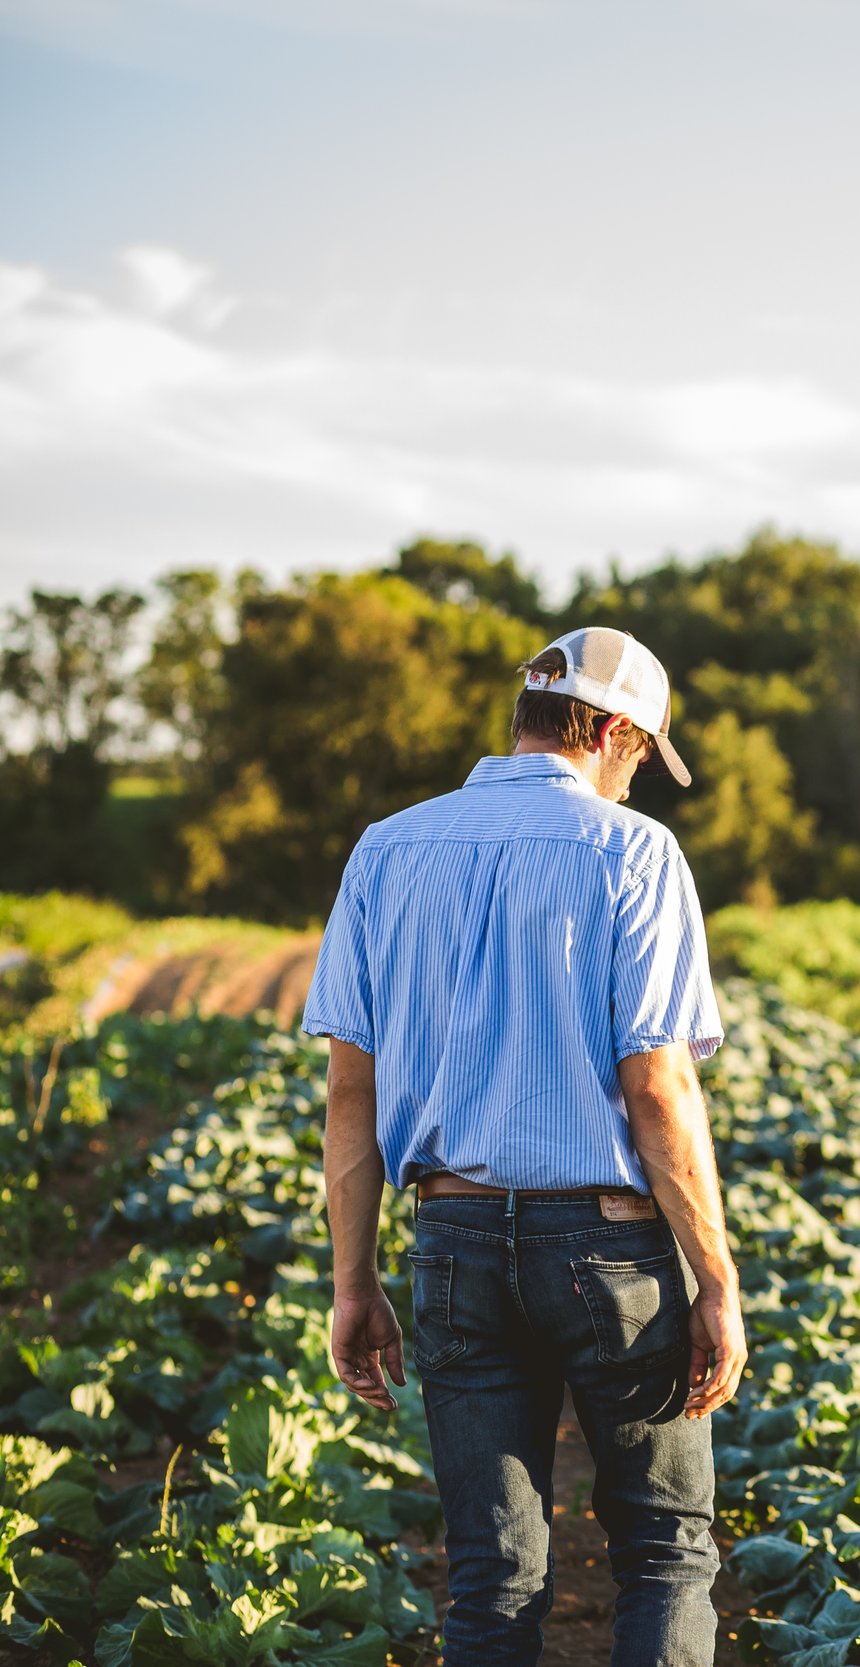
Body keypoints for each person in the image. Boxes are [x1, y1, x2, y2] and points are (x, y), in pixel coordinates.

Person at [303, 625, 747, 1667]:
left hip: (450, 1237)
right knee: (665, 1550)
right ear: (607, 728)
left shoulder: (388, 847)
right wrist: (717, 1278)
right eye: (640, 753)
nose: (637, 778)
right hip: (608, 1248)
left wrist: (352, 1280)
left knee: (490, 1571)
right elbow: (658, 1083)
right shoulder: (633, 852)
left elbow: (351, 1095)